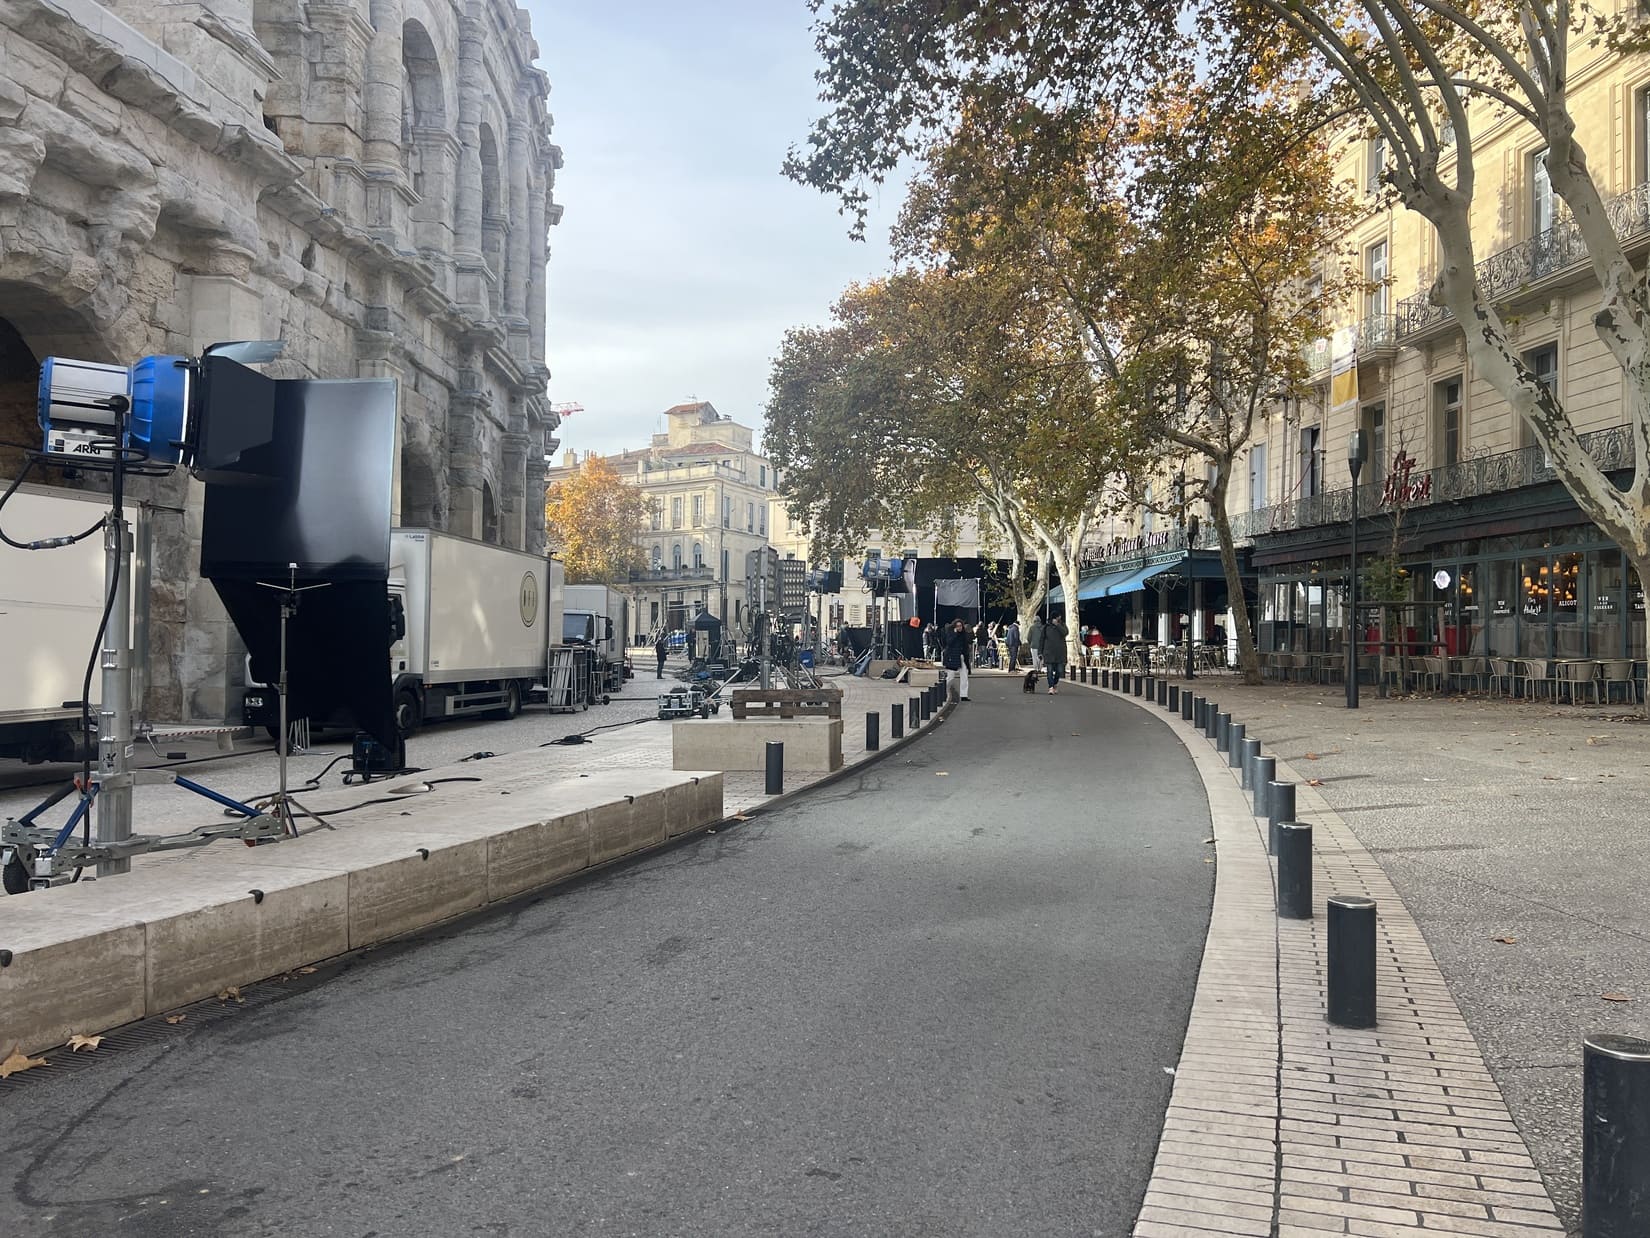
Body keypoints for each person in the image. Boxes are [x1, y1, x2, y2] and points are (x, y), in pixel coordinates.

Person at [942, 618, 972, 701]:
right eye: (957, 626)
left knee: (964, 676)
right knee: (950, 677)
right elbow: (949, 643)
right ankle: (944, 690)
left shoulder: (964, 634)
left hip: (962, 657)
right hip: (952, 657)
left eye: (960, 626)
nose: (959, 628)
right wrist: (955, 634)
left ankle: (964, 695)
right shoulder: (950, 633)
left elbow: (966, 644)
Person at [1041, 614, 1069, 694]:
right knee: (1049, 671)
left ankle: (1055, 683)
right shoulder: (1046, 627)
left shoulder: (1062, 625)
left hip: (1060, 653)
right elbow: (1042, 639)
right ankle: (1051, 687)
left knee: (1059, 671)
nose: (1058, 618)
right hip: (1048, 652)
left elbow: (1065, 633)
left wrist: (1058, 625)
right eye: (1057, 617)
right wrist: (1040, 652)